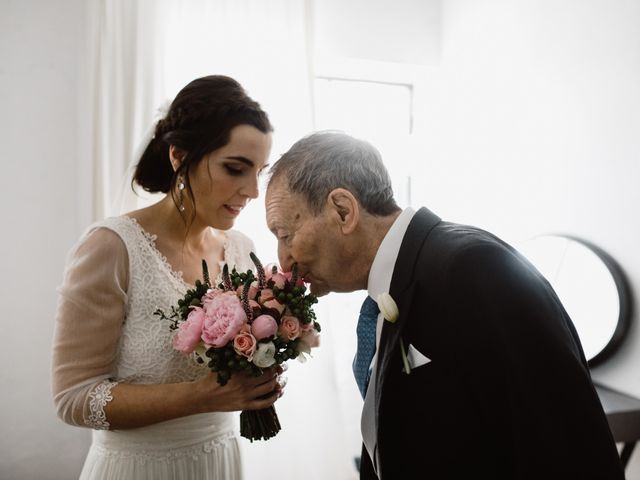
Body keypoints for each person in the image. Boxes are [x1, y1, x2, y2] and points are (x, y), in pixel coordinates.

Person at [265, 131, 625, 480]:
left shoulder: (472, 268)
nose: (284, 261)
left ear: (343, 211)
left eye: (285, 235)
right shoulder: (392, 287)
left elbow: (566, 447)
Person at [52, 75, 282, 480]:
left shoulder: (242, 250)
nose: (250, 191)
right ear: (179, 156)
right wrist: (202, 396)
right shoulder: (112, 248)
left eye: (259, 172)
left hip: (220, 462)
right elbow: (73, 398)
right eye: (234, 168)